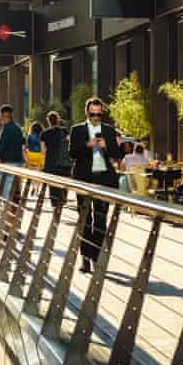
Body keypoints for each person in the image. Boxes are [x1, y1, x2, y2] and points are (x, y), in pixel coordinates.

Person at [69, 96, 121, 274]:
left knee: (100, 220)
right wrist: (87, 145)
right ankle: (85, 259)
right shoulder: (77, 130)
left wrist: (107, 146)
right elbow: (72, 153)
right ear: (87, 112)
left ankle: (96, 257)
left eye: (99, 114)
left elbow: (116, 154)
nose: (96, 117)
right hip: (84, 179)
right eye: (93, 114)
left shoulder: (108, 130)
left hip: (103, 179)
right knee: (85, 219)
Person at [40, 111, 70, 208]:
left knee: (53, 188)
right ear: (58, 120)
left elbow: (43, 151)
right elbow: (69, 145)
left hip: (50, 164)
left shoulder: (44, 134)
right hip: (63, 163)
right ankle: (63, 200)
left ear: (48, 121)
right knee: (63, 185)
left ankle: (55, 208)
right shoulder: (64, 131)